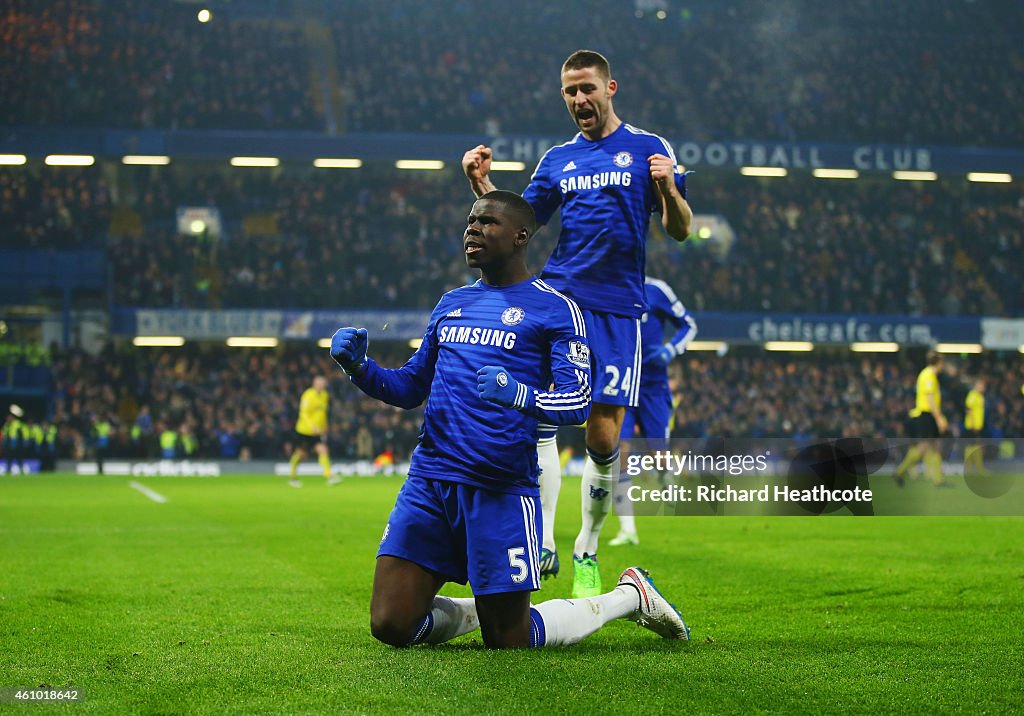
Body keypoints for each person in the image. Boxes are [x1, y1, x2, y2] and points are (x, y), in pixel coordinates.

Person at [331, 191, 689, 648]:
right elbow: (409, 388)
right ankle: (481, 608)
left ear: (521, 236)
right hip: (430, 483)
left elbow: (578, 401)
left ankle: (628, 596)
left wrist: (519, 394)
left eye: (486, 222)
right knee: (391, 626)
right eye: (470, 221)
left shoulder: (556, 309)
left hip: (499, 486)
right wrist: (361, 369)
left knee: (510, 641)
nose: (472, 229)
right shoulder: (451, 303)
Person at [463, 49, 692, 597]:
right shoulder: (558, 160)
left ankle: (586, 545)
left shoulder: (648, 148)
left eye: (587, 88)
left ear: (611, 88)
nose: (578, 100)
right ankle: (539, 539)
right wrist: (482, 184)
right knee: (536, 418)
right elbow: (518, 225)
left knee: (603, 435)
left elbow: (680, 229)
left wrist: (668, 188)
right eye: (569, 92)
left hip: (617, 308)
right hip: (560, 303)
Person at [611, 278, 698, 547]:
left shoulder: (657, 290)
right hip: (622, 384)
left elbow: (689, 324)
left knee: (658, 455)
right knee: (620, 452)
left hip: (653, 387)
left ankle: (664, 474)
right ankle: (628, 529)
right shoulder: (609, 287)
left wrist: (671, 349)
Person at [895, 351, 948, 487]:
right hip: (927, 414)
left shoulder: (928, 375)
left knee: (935, 446)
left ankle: (938, 480)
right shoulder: (929, 375)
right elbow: (930, 399)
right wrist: (939, 418)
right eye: (942, 363)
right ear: (939, 362)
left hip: (928, 414)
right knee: (924, 447)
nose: (943, 365)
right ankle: (900, 471)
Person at [288, 375, 339, 487]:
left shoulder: (325, 395)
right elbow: (303, 413)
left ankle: (329, 476)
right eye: (319, 384)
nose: (321, 386)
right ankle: (292, 477)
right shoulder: (308, 395)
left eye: (323, 384)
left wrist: (325, 426)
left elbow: (323, 413)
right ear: (314, 384)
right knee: (300, 453)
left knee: (323, 450)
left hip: (317, 431)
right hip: (304, 430)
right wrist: (312, 426)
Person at [963, 378, 986, 475]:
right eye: (982, 385)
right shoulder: (972, 395)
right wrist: (972, 424)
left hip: (977, 426)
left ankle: (978, 468)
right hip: (972, 426)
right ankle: (970, 469)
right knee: (971, 447)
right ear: (977, 385)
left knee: (976, 447)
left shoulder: (980, 396)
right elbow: (968, 410)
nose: (984, 388)